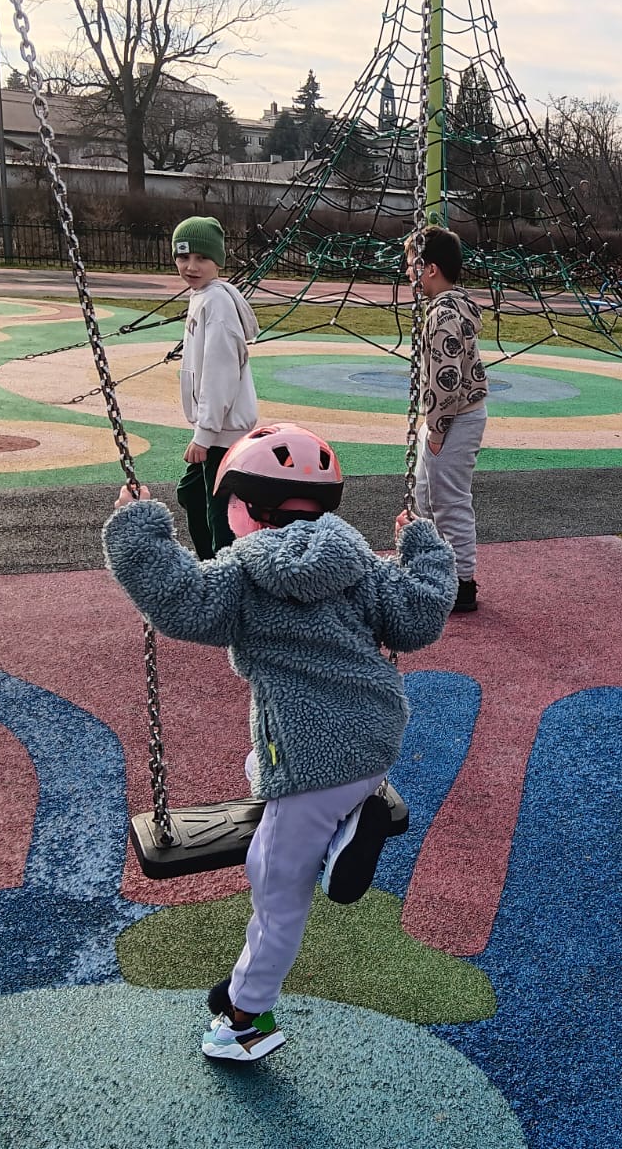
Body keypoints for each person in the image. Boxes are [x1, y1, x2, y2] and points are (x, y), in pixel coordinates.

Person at [103, 421, 457, 1061]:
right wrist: (422, 546)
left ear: (240, 508)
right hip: (375, 737)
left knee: (276, 888)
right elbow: (422, 615)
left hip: (309, 760)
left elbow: (180, 601)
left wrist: (139, 531)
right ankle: (351, 815)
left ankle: (244, 1018)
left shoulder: (242, 571)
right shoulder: (359, 562)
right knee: (262, 772)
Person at [405, 225, 487, 613]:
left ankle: (462, 582)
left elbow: (446, 378)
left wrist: (436, 429)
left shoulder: (443, 316)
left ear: (431, 269)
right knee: (425, 494)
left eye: (412, 265)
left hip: (454, 419)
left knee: (449, 499)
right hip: (450, 417)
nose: (408, 273)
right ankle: (434, 567)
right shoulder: (454, 306)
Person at [171, 215, 261, 559]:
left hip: (222, 429)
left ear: (218, 261)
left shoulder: (217, 303)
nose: (191, 266)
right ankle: (210, 565)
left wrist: (204, 433)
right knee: (192, 495)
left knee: (218, 510)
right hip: (214, 426)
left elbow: (219, 373)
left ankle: (221, 574)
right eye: (183, 257)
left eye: (202, 258)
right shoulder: (203, 296)